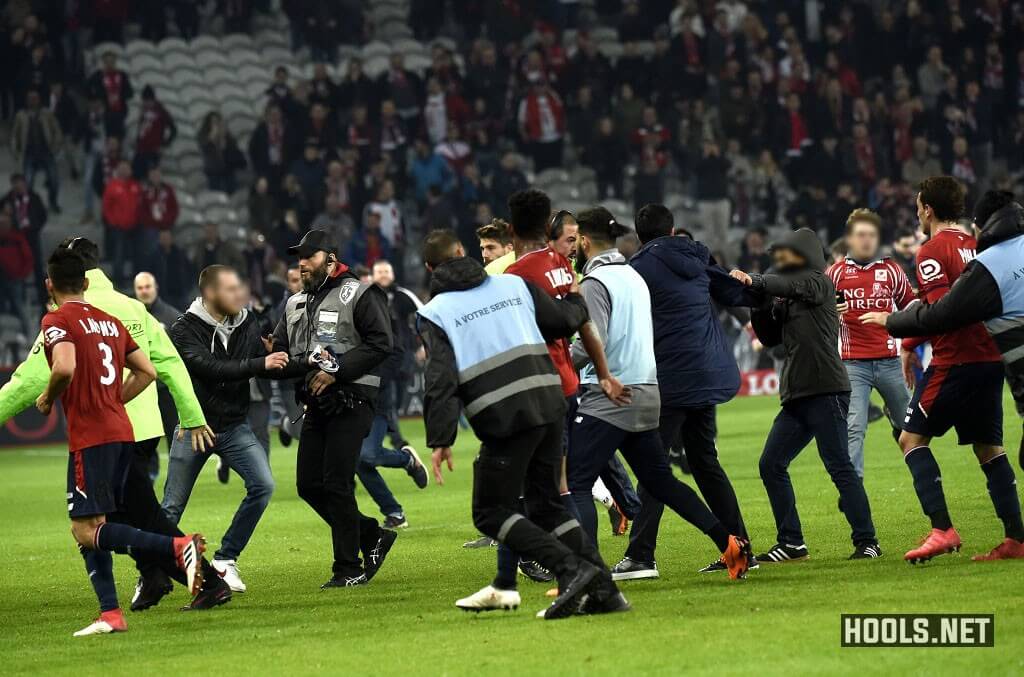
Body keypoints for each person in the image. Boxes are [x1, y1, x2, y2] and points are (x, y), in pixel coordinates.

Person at [0, 237, 226, 613]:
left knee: (110, 520)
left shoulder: (66, 315)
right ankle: (153, 576)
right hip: (141, 425)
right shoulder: (131, 308)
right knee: (124, 512)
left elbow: (29, 381)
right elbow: (166, 364)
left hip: (101, 431)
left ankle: (203, 577)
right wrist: (191, 415)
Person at [417, 229, 629, 618]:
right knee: (548, 505)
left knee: (490, 512)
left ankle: (572, 569)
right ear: (464, 252)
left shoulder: (435, 313)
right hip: (550, 402)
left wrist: (440, 437)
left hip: (504, 416)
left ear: (430, 268)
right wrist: (577, 302)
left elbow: (440, 378)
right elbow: (561, 321)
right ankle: (605, 591)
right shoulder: (513, 285)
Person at [567, 207, 751, 578]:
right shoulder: (658, 270)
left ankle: (615, 564)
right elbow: (730, 291)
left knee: (586, 481)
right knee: (679, 472)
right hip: (678, 379)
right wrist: (761, 290)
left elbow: (596, 338)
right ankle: (734, 543)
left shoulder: (623, 274)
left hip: (638, 386)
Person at [35, 247, 204, 637]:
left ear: (50, 284)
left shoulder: (57, 319)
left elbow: (64, 365)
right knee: (95, 525)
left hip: (91, 438)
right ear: (87, 282)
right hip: (122, 431)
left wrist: (47, 396)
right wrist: (114, 400)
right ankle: (110, 613)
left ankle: (175, 549)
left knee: (84, 529)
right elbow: (147, 370)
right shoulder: (110, 322)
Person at [861, 180, 1023, 562]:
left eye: (918, 207)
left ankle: (942, 529)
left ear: (928, 210)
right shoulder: (979, 247)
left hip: (955, 361)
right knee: (989, 448)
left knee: (909, 439)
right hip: (990, 360)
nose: (917, 214)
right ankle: (1015, 538)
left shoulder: (931, 251)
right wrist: (911, 346)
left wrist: (896, 324)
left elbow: (943, 313)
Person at [731, 228, 881, 561]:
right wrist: (759, 303)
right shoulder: (790, 293)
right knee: (771, 464)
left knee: (839, 466)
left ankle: (867, 540)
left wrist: (755, 281)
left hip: (826, 388)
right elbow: (770, 338)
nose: (783, 263)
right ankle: (792, 543)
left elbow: (784, 284)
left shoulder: (819, 282)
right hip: (799, 392)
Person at [271, 229, 398, 588]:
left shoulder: (358, 293)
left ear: (330, 259)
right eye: (298, 257)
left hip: (353, 398)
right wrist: (266, 350)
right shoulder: (296, 302)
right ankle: (371, 534)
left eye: (308, 256)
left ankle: (348, 567)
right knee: (309, 484)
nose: (301, 263)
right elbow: (281, 348)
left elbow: (382, 343)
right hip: (317, 402)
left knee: (336, 482)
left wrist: (337, 370)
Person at [164, 265, 285, 593]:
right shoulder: (183, 328)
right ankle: (152, 573)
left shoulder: (248, 320)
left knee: (263, 485)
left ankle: (225, 559)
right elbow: (209, 369)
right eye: (231, 289)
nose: (239, 294)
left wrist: (305, 364)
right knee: (171, 507)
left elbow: (264, 362)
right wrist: (261, 363)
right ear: (211, 293)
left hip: (233, 426)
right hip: (194, 428)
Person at [826, 208, 914, 479]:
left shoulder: (891, 270)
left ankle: (923, 476)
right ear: (849, 239)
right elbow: (818, 317)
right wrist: (829, 312)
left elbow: (912, 308)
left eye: (872, 235)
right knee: (854, 427)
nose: (867, 240)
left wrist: (904, 342)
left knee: (911, 426)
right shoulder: (834, 274)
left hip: (889, 363)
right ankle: (854, 491)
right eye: (861, 235)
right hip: (853, 365)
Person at [134, 271, 180, 456]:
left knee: (174, 433)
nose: (144, 291)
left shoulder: (172, 317)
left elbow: (183, 354)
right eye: (140, 288)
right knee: (142, 438)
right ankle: (147, 477)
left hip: (165, 387)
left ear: (156, 288)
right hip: (139, 388)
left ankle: (178, 477)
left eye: (147, 287)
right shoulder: (129, 315)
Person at [12, 88, 62, 212]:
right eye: (30, 99)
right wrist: (16, 152)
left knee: (54, 179)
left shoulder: (46, 113)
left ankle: (53, 202)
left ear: (39, 99)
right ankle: (28, 205)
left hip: (46, 152)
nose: (33, 101)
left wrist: (55, 146)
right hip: (29, 154)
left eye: (35, 98)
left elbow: (56, 130)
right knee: (28, 182)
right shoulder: (21, 115)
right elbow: (14, 135)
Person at [101, 159, 141, 288]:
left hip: (134, 226)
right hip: (118, 227)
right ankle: (119, 280)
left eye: (127, 168)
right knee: (119, 254)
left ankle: (136, 279)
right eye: (122, 167)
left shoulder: (135, 185)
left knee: (135, 253)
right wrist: (113, 221)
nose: (124, 170)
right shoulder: (112, 186)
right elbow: (106, 207)